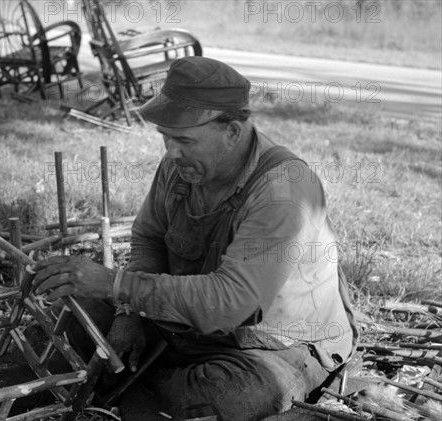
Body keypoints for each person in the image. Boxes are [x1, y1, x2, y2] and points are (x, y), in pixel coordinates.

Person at [31, 56, 357, 421]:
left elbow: (232, 303)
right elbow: (149, 238)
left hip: (275, 346)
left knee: (226, 398)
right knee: (75, 320)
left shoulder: (284, 190)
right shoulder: (181, 164)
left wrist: (116, 284)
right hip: (186, 327)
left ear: (232, 131)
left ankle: (123, 393)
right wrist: (128, 314)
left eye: (184, 139)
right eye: (166, 138)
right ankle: (133, 392)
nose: (171, 152)